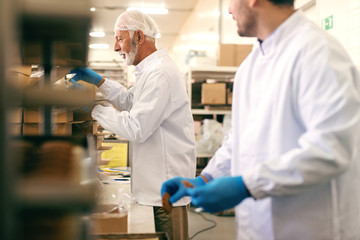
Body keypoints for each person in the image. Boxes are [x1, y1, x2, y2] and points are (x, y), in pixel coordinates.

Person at [161, 0, 360, 239]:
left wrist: (247, 185)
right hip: (256, 227)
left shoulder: (317, 52)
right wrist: (206, 177)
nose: (229, 10)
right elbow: (240, 139)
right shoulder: (250, 67)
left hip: (309, 227)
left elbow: (331, 149)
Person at [69, 10, 196, 240]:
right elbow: (130, 102)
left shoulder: (160, 73)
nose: (115, 47)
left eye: (119, 38)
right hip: (158, 185)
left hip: (165, 188)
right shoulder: (151, 70)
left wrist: (92, 108)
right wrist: (100, 82)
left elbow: (136, 126)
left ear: (138, 37)